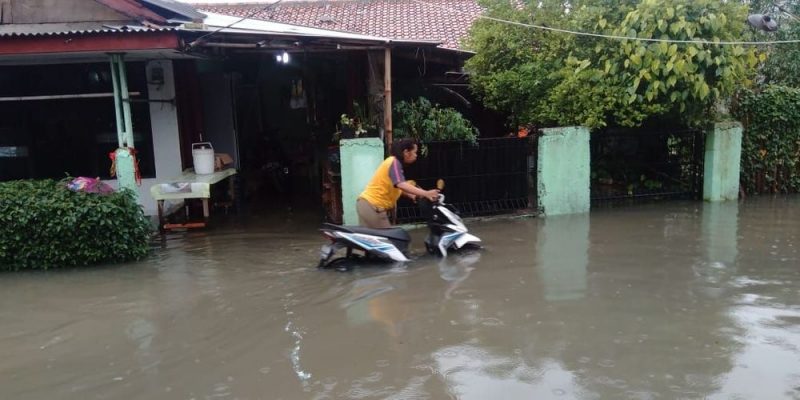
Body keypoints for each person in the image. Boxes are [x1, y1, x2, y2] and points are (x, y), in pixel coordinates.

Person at [357, 139, 440, 228]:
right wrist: (426, 193)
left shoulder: (394, 163)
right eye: (415, 152)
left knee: (374, 239)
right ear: (406, 152)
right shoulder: (394, 161)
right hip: (373, 206)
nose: (416, 155)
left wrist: (415, 196)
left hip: (367, 205)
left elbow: (398, 188)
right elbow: (401, 184)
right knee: (389, 238)